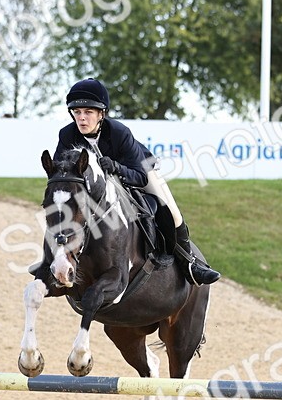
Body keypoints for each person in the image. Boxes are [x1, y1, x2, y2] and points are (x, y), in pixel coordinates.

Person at [53, 77, 219, 286]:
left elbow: (139, 176)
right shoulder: (67, 134)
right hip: (99, 182)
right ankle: (52, 262)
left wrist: (116, 167)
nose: (82, 119)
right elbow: (60, 172)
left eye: (88, 113)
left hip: (137, 169)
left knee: (169, 207)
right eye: (77, 113)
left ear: (101, 114)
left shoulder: (118, 132)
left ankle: (190, 264)